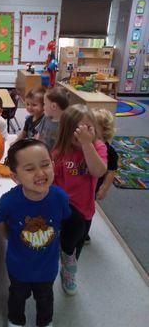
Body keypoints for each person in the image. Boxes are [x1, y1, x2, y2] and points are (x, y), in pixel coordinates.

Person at [0, 139, 71, 327]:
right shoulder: (9, 201)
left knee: (45, 298)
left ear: (52, 165)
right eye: (29, 169)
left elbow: (62, 223)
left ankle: (45, 322)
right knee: (17, 296)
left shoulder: (60, 197)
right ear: (15, 176)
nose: (40, 173)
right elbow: (0, 222)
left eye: (45, 165)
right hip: (18, 266)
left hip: (48, 266)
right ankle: (15, 321)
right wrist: (9, 238)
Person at [52, 104, 107, 296]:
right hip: (65, 207)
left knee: (78, 243)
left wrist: (87, 144)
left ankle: (68, 269)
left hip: (86, 208)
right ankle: (67, 261)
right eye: (79, 130)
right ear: (68, 130)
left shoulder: (97, 147)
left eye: (89, 128)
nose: (85, 133)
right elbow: (54, 182)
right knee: (70, 240)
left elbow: (98, 171)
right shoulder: (60, 151)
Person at [84, 108, 119, 244]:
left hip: (95, 186)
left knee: (88, 209)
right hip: (82, 181)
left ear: (103, 130)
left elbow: (111, 171)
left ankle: (84, 234)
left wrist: (104, 188)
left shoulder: (110, 152)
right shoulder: (86, 144)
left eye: (90, 126)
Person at [35, 86, 69, 151]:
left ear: (53, 106)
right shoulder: (45, 117)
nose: (43, 107)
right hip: (41, 151)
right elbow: (39, 133)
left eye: (44, 104)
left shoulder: (65, 125)